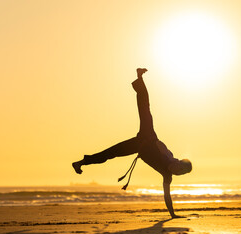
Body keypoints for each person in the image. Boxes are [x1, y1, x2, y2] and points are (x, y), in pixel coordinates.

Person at [72, 68, 192, 218]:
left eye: (180, 172)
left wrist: (172, 215)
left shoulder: (168, 176)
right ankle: (139, 77)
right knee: (145, 107)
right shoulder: (169, 156)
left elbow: (167, 196)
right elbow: (159, 145)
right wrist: (151, 143)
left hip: (138, 145)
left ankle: (80, 163)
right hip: (148, 135)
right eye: (180, 167)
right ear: (179, 162)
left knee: (110, 153)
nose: (177, 170)